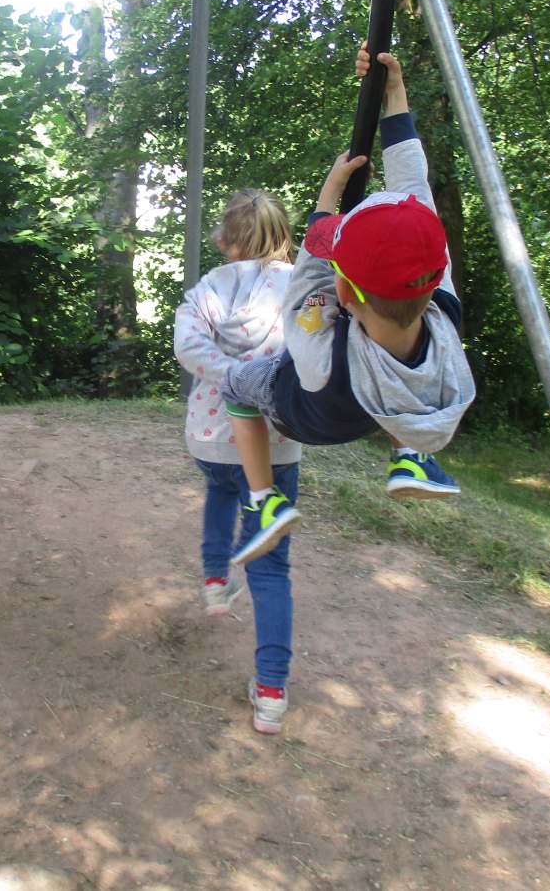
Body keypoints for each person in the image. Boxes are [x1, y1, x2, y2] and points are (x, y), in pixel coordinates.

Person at [223, 46, 476, 574]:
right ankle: (411, 454)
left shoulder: (321, 348)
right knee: (407, 367)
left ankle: (264, 499)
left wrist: (330, 192)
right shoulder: (442, 308)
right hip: (373, 408)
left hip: (308, 413)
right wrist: (393, 92)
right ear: (436, 274)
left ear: (345, 293)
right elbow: (413, 187)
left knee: (235, 388)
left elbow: (309, 270)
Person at [174, 189, 303, 734]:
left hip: (209, 435)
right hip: (275, 446)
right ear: (284, 236)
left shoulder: (211, 288)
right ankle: (271, 691)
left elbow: (187, 346)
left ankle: (212, 579)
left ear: (226, 240)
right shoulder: (302, 285)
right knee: (271, 566)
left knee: (220, 491)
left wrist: (231, 378)